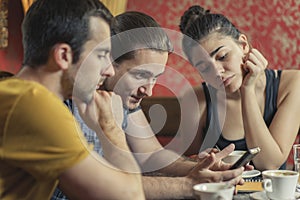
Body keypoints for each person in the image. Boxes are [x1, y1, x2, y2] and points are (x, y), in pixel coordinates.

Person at [52, 11, 248, 200]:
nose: (149, 91)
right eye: (140, 75)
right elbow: (111, 187)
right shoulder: (65, 103)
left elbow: (151, 155)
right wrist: (191, 183)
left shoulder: (122, 98)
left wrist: (204, 167)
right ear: (109, 62)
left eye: (155, 78)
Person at [0, 0, 145, 199]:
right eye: (101, 55)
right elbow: (130, 196)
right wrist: (111, 127)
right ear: (64, 55)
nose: (110, 70)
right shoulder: (35, 105)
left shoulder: (21, 97)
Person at [179, 5, 300, 171]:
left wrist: (247, 91)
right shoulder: (195, 99)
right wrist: (201, 163)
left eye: (222, 56)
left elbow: (269, 164)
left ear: (243, 45)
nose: (217, 72)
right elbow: (183, 165)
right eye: (204, 67)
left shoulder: (292, 84)